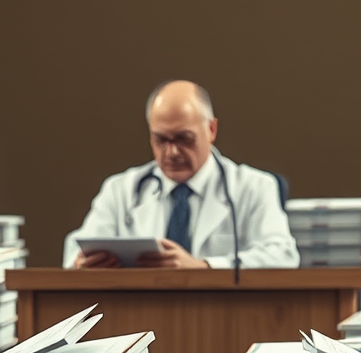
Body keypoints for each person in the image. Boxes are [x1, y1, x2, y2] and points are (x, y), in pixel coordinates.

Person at [62, 80, 299, 269]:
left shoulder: (254, 187)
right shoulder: (120, 189)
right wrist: (80, 263)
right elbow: (74, 250)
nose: (172, 152)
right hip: (138, 317)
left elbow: (282, 255)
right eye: (161, 140)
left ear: (211, 130)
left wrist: (205, 267)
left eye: (184, 139)